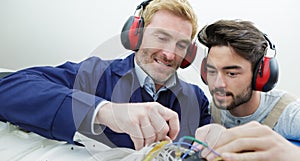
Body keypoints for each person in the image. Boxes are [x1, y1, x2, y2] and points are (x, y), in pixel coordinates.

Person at [0, 0, 210, 150]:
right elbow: (8, 89)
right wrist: (104, 111)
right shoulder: (95, 74)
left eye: (181, 45)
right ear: (135, 35)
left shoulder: (196, 99)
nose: (169, 53)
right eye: (161, 37)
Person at [195, 19, 300, 161]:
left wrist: (295, 158)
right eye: (211, 71)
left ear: (261, 75)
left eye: (231, 74)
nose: (218, 84)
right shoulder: (210, 111)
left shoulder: (289, 114)